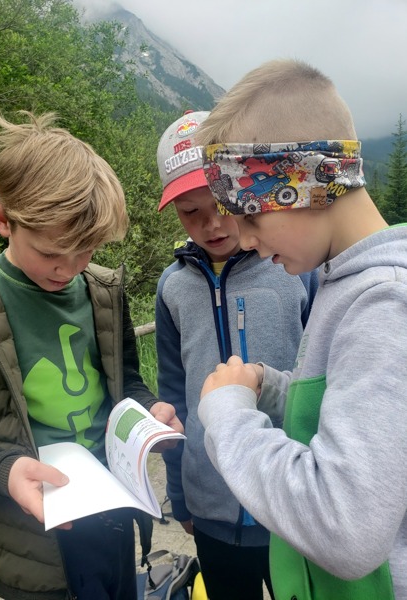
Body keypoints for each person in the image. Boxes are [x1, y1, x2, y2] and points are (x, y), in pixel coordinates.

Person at [195, 58, 407, 600]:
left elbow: (345, 528)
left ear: (310, 183)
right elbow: (354, 411)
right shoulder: (346, 283)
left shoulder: (384, 305)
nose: (244, 240)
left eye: (251, 215)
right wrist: (273, 390)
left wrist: (230, 419)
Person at [0, 110, 183, 600]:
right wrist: (3, 472)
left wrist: (147, 413)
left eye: (87, 251)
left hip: (112, 512)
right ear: (2, 219)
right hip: (30, 536)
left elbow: (125, 382)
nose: (68, 269)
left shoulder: (102, 292)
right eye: (50, 253)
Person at [155, 110, 318, 600]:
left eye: (222, 202)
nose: (211, 224)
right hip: (210, 509)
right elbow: (175, 396)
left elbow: (325, 382)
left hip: (291, 502)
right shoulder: (171, 288)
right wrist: (180, 495)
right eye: (190, 211)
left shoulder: (296, 267)